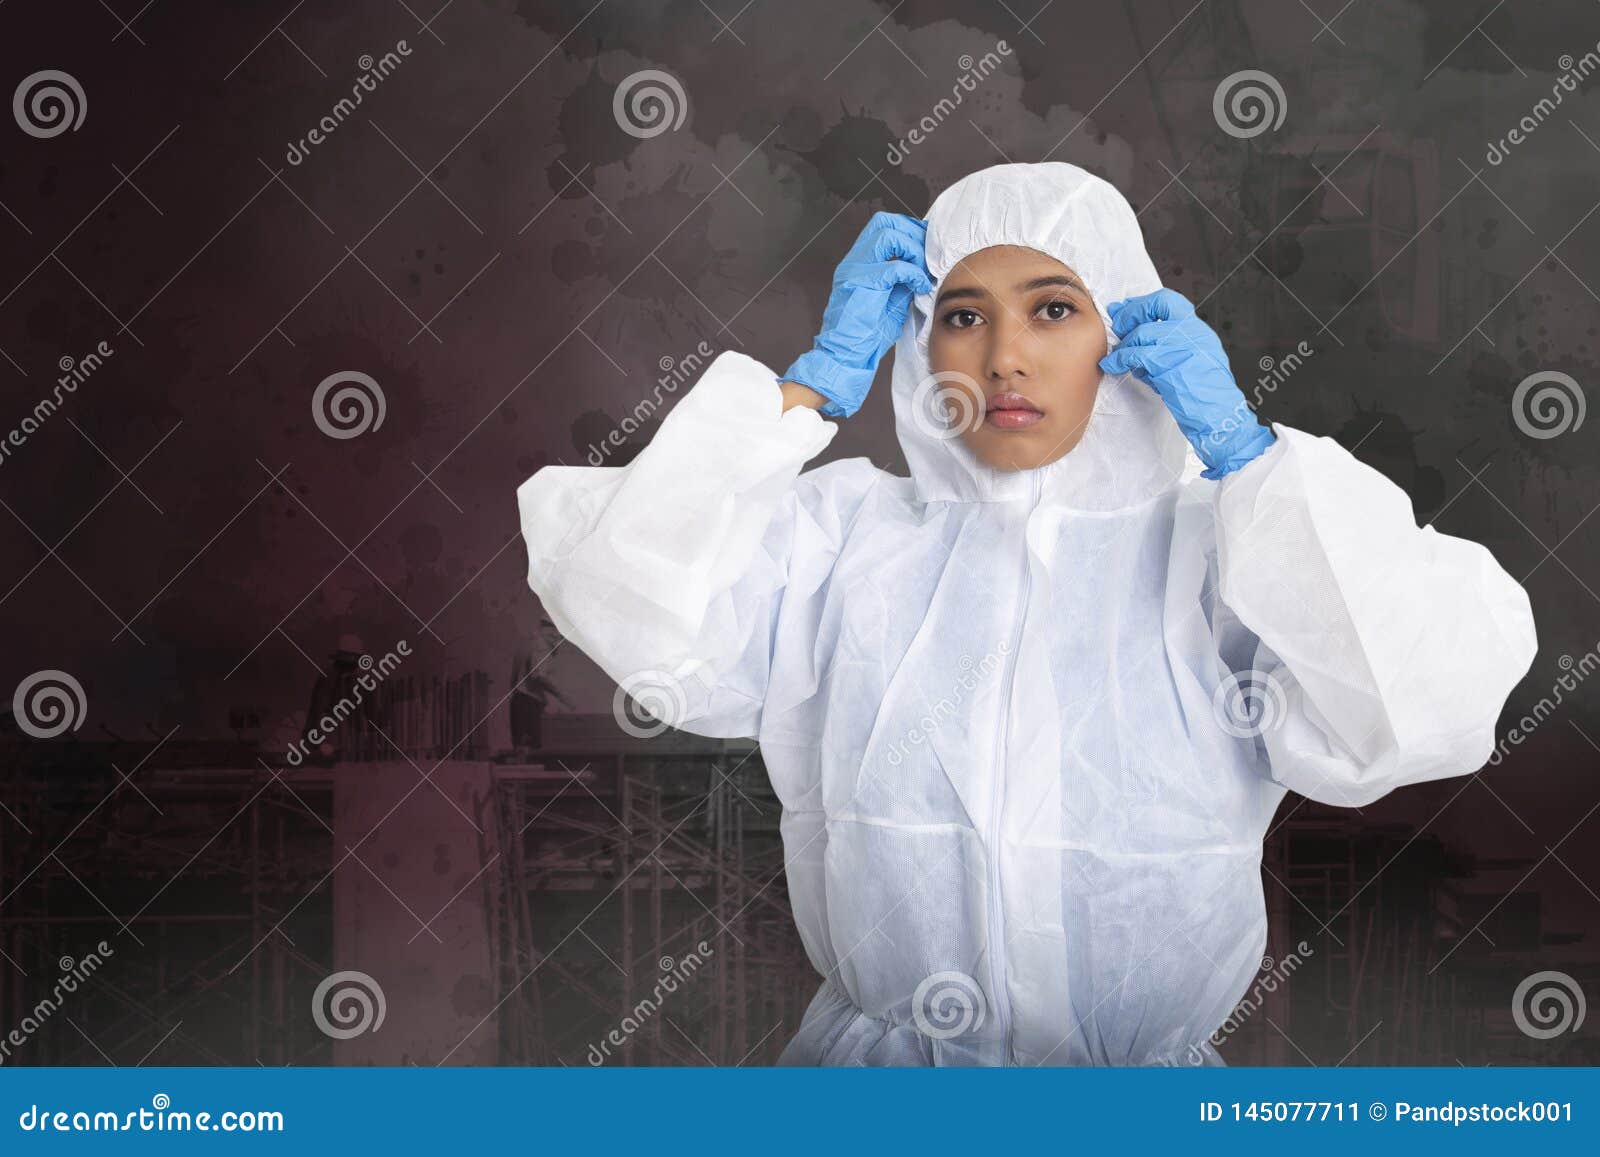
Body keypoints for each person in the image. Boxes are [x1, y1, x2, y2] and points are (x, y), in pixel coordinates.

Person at [515, 162, 1538, 1066]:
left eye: (1052, 309)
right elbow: (624, 588)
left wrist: (1248, 459)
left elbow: (1423, 699)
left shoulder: (1223, 555)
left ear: (1124, 330)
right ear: (920, 341)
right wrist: (804, 396)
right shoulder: (841, 542)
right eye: (963, 314)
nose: (1004, 356)